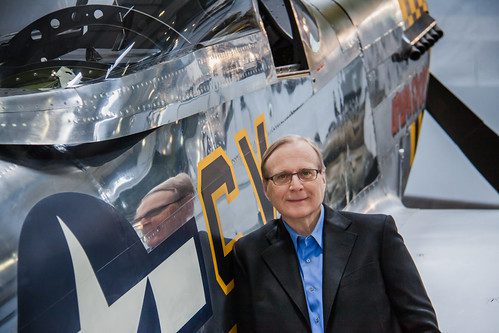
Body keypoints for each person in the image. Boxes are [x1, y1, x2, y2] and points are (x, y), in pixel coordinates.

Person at [232, 135, 439, 333]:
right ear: (266, 189)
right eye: (282, 177)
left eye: (306, 173)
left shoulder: (376, 234)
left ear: (323, 178)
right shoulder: (249, 253)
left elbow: (421, 325)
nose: (296, 186)